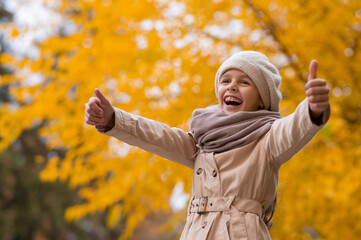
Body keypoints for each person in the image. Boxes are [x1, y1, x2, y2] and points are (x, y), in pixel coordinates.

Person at [84, 51, 330, 239]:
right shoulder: (202, 140)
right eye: (226, 80)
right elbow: (158, 135)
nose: (232, 86)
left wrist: (312, 109)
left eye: (245, 82)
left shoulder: (268, 138)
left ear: (262, 98)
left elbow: (294, 128)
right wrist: (113, 118)